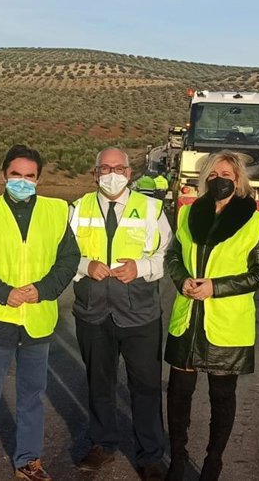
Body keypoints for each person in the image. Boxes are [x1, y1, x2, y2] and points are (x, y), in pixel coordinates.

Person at [0, 145, 81, 481]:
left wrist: (44, 289)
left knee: (32, 396)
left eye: (30, 176)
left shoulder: (56, 211)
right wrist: (3, 293)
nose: (22, 182)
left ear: (38, 179)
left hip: (37, 319)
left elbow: (69, 259)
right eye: (16, 175)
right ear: (4, 175)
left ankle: (28, 461)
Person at [163, 150, 259, 481]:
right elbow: (173, 256)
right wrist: (182, 279)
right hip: (187, 320)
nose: (218, 180)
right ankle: (177, 459)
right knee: (178, 395)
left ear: (238, 181)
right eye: (212, 175)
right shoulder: (188, 215)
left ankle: (213, 463)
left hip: (226, 326)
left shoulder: (253, 222)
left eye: (226, 175)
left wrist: (216, 287)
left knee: (221, 398)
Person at [69, 148, 171, 480]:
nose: (111, 174)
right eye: (104, 168)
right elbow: (63, 254)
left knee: (146, 387)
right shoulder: (77, 209)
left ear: (129, 173)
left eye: (118, 168)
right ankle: (102, 443)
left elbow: (168, 254)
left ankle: (150, 456)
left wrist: (141, 267)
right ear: (94, 173)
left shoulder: (152, 209)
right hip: (93, 313)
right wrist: (86, 265)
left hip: (140, 314)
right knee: (99, 382)